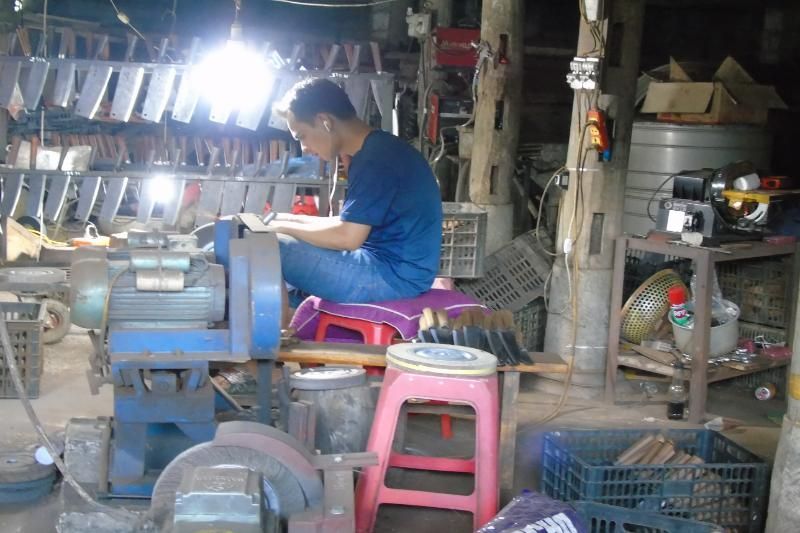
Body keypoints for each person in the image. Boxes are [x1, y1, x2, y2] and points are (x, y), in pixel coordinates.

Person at [269, 78, 442, 306]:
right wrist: (284, 219)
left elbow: (348, 237)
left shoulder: (375, 159)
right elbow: (348, 223)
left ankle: (273, 334)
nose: (304, 148)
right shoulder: (379, 149)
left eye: (301, 136)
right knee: (269, 240)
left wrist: (279, 228)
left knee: (267, 246)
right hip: (393, 271)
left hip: (391, 278)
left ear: (325, 121)